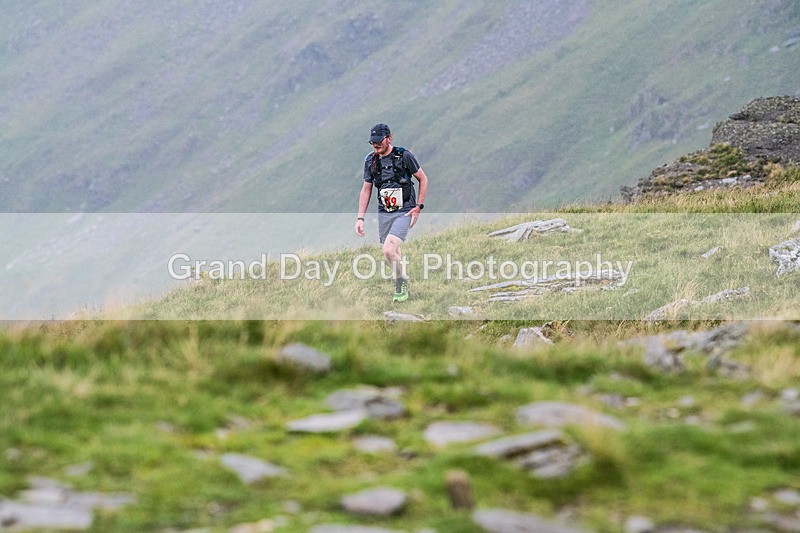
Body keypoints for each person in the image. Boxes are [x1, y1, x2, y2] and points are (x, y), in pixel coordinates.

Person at [355, 123, 428, 302]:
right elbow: (366, 190)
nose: (376, 145)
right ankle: (405, 292)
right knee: (395, 251)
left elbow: (423, 179)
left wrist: (418, 207)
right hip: (385, 212)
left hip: (405, 210)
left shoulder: (404, 156)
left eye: (379, 141)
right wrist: (360, 218)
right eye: (373, 143)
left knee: (388, 251)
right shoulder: (370, 160)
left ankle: (401, 282)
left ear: (389, 138)